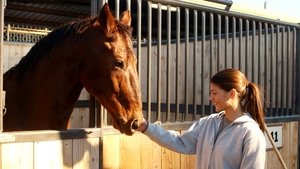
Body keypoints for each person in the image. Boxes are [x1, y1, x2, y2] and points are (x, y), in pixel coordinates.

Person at [138, 68, 266, 169]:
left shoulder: (251, 134)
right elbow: (179, 142)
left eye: (214, 93)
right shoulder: (208, 123)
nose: (210, 98)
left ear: (231, 93)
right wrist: (146, 126)